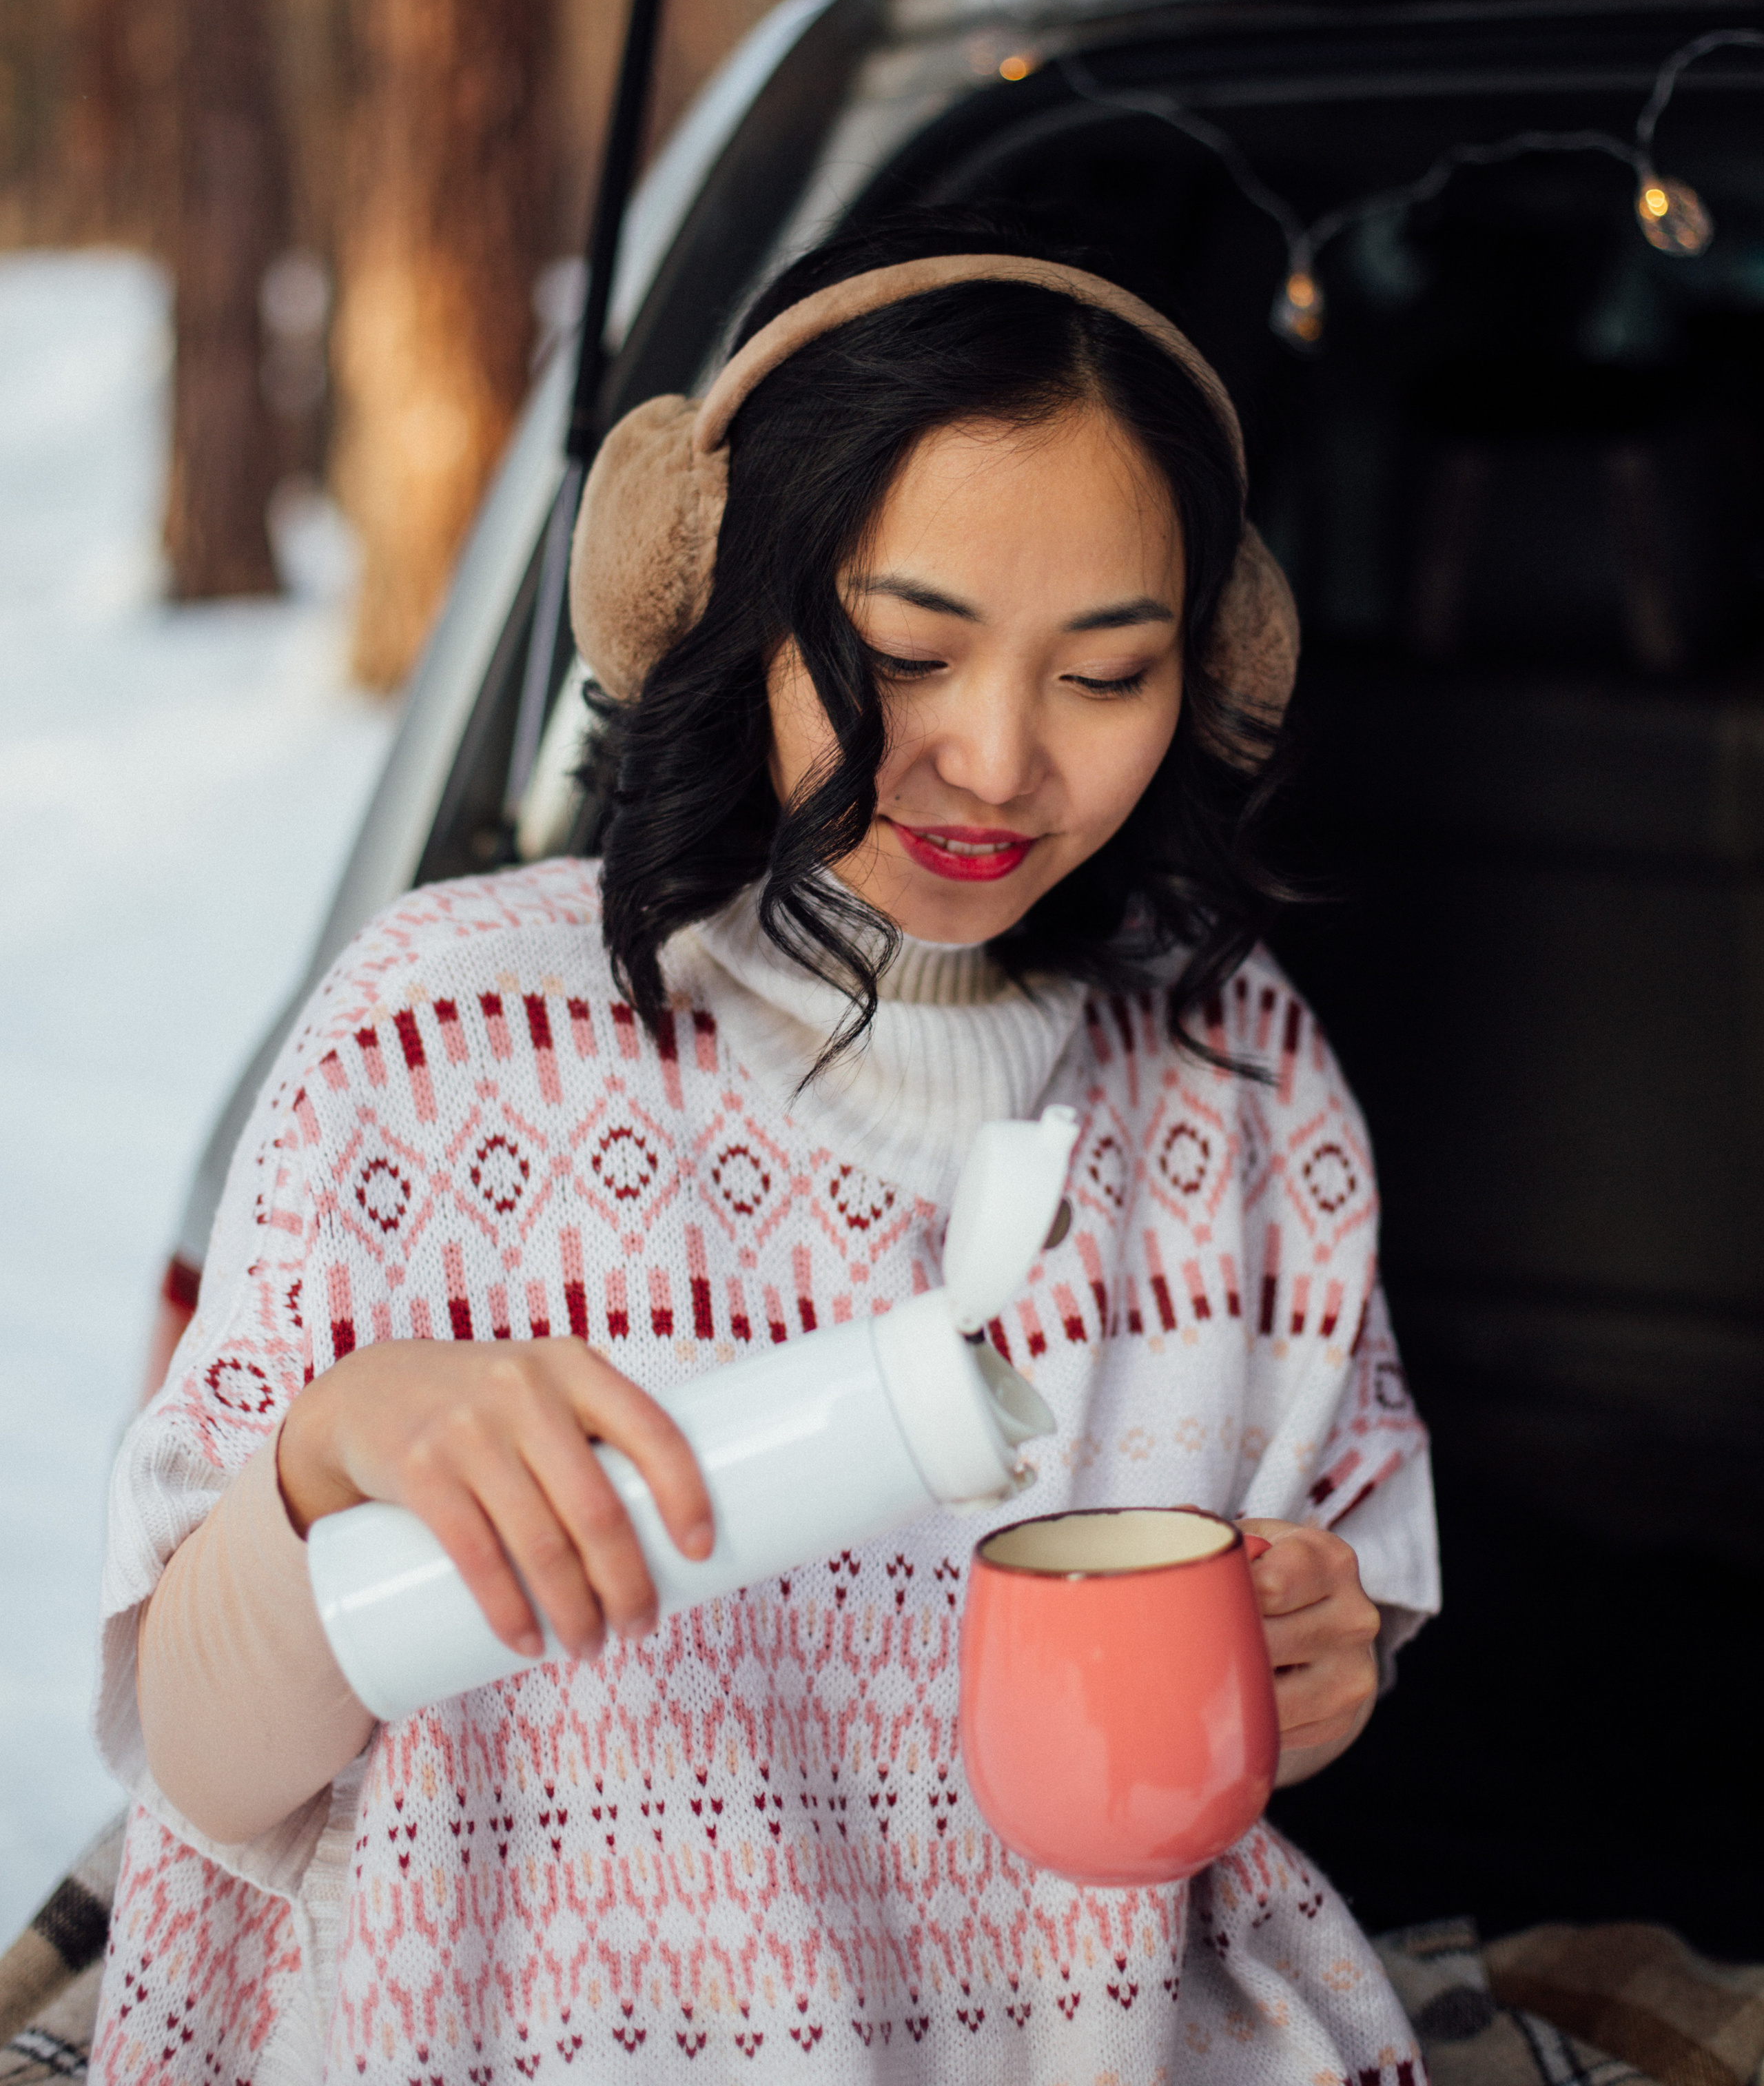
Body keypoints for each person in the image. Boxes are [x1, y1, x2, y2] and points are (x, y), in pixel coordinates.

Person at [91, 223, 1439, 2085]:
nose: (992, 760)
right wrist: (328, 1467)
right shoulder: (439, 1039)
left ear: (1209, 673)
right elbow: (199, 1763)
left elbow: (1319, 1631)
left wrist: (1320, 1668)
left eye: (1105, 677)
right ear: (709, 589)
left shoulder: (1239, 1075)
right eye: (902, 652)